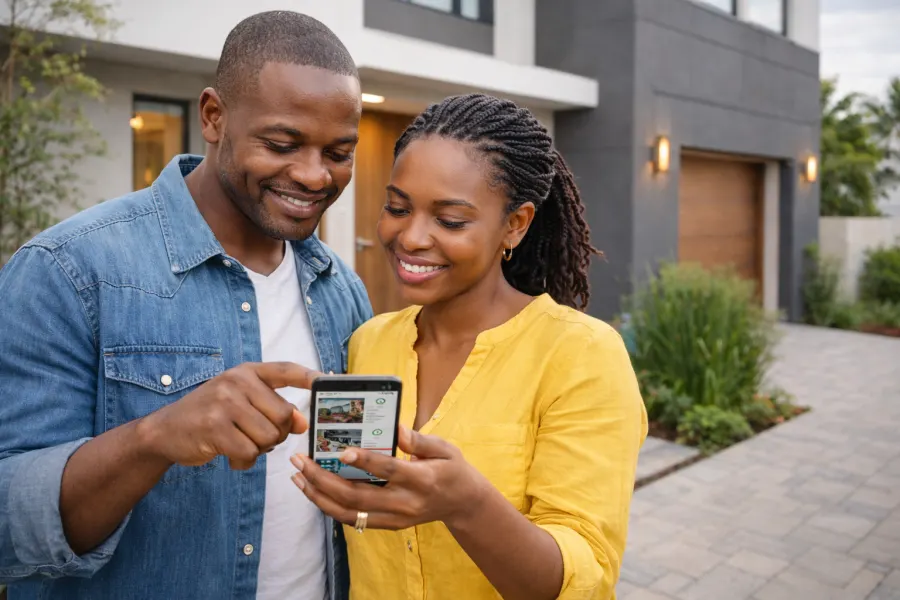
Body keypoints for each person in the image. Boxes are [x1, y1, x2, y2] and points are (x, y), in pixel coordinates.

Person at [0, 11, 367, 600]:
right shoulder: (69, 270)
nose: (313, 175)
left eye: (339, 152)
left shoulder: (342, 291)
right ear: (214, 117)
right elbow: (9, 527)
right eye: (281, 144)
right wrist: (155, 437)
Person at [290, 94, 649, 600]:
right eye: (397, 207)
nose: (411, 237)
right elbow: (353, 507)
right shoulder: (370, 341)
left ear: (516, 224)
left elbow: (584, 576)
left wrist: (467, 505)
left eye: (450, 221)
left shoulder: (581, 355)